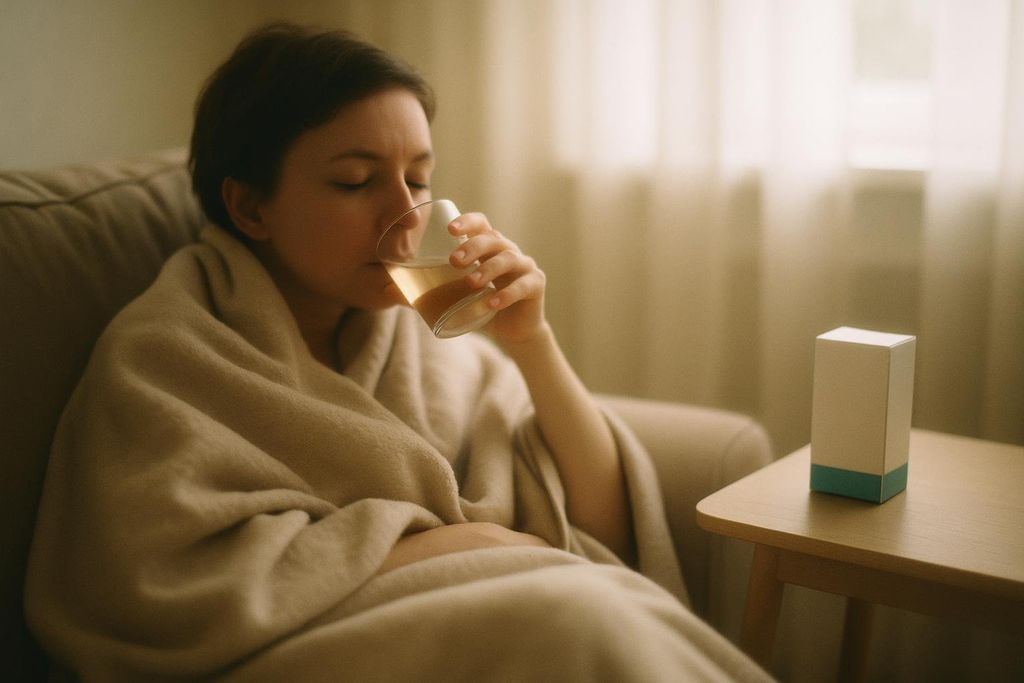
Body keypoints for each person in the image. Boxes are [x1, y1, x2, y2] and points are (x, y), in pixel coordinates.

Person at [25, 22, 770, 682]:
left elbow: (602, 523)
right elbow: (163, 585)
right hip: (285, 650)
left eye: (418, 179)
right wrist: (465, 541)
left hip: (484, 607)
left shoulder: (419, 335)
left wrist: (531, 343)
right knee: (575, 615)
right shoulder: (167, 354)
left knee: (589, 608)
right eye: (355, 182)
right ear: (250, 206)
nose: (406, 216)